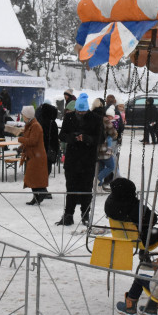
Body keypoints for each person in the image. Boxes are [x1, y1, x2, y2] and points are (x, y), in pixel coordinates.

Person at [57, 92, 102, 226]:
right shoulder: (69, 117)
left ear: (87, 109)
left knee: (86, 189)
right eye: (78, 111)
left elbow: (100, 138)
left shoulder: (96, 118)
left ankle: (85, 213)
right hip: (72, 159)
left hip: (88, 160)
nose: (80, 113)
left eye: (83, 111)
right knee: (70, 188)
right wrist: (72, 137)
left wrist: (87, 138)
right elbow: (62, 135)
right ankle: (68, 214)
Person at [104, 178, 158, 264]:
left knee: (143, 227)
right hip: (139, 239)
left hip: (122, 235)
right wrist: (138, 203)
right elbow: (153, 218)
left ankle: (144, 256)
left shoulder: (109, 203)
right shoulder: (134, 206)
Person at [18, 105, 49, 205]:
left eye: (23, 115)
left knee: (34, 178)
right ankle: (36, 197)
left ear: (28, 116)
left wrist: (20, 138)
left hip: (36, 156)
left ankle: (42, 193)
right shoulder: (31, 125)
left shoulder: (35, 126)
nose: (22, 116)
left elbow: (33, 141)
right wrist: (21, 147)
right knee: (33, 178)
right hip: (33, 155)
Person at [36, 103, 60, 188]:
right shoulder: (52, 123)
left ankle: (41, 191)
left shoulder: (40, 122)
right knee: (46, 171)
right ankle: (42, 190)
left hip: (40, 151)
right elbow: (55, 140)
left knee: (39, 173)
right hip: (50, 151)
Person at [96, 110, 119, 190]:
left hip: (96, 148)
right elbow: (113, 134)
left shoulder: (93, 118)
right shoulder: (105, 120)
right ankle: (97, 180)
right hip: (104, 149)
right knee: (111, 166)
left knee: (101, 167)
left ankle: (99, 187)